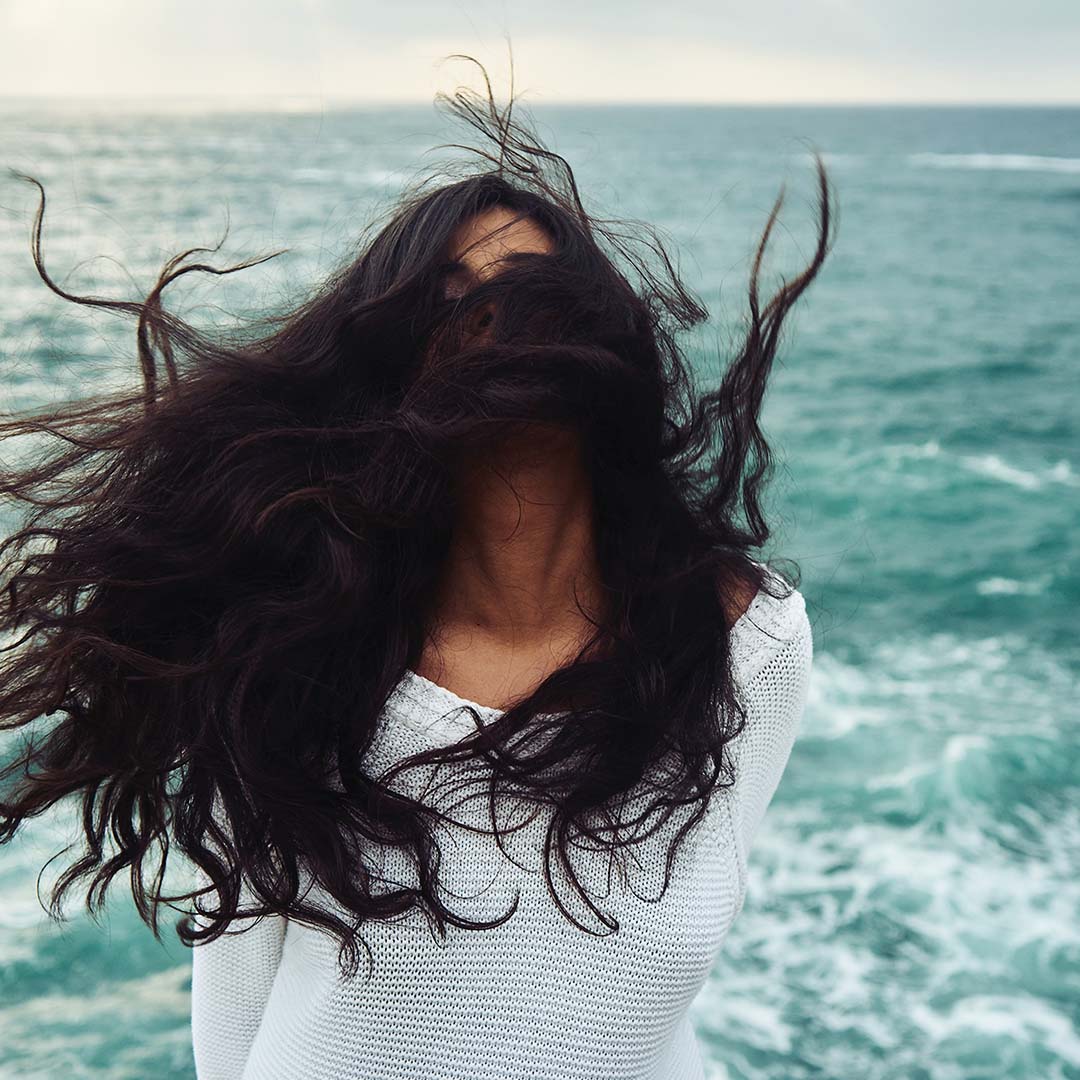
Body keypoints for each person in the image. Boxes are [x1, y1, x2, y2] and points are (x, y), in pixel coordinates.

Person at [0, 59, 834, 1080]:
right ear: (393, 362)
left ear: (604, 336)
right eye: (448, 302)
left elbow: (639, 1003)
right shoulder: (296, 650)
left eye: (529, 293)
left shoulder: (747, 647)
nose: (493, 321)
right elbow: (238, 1002)